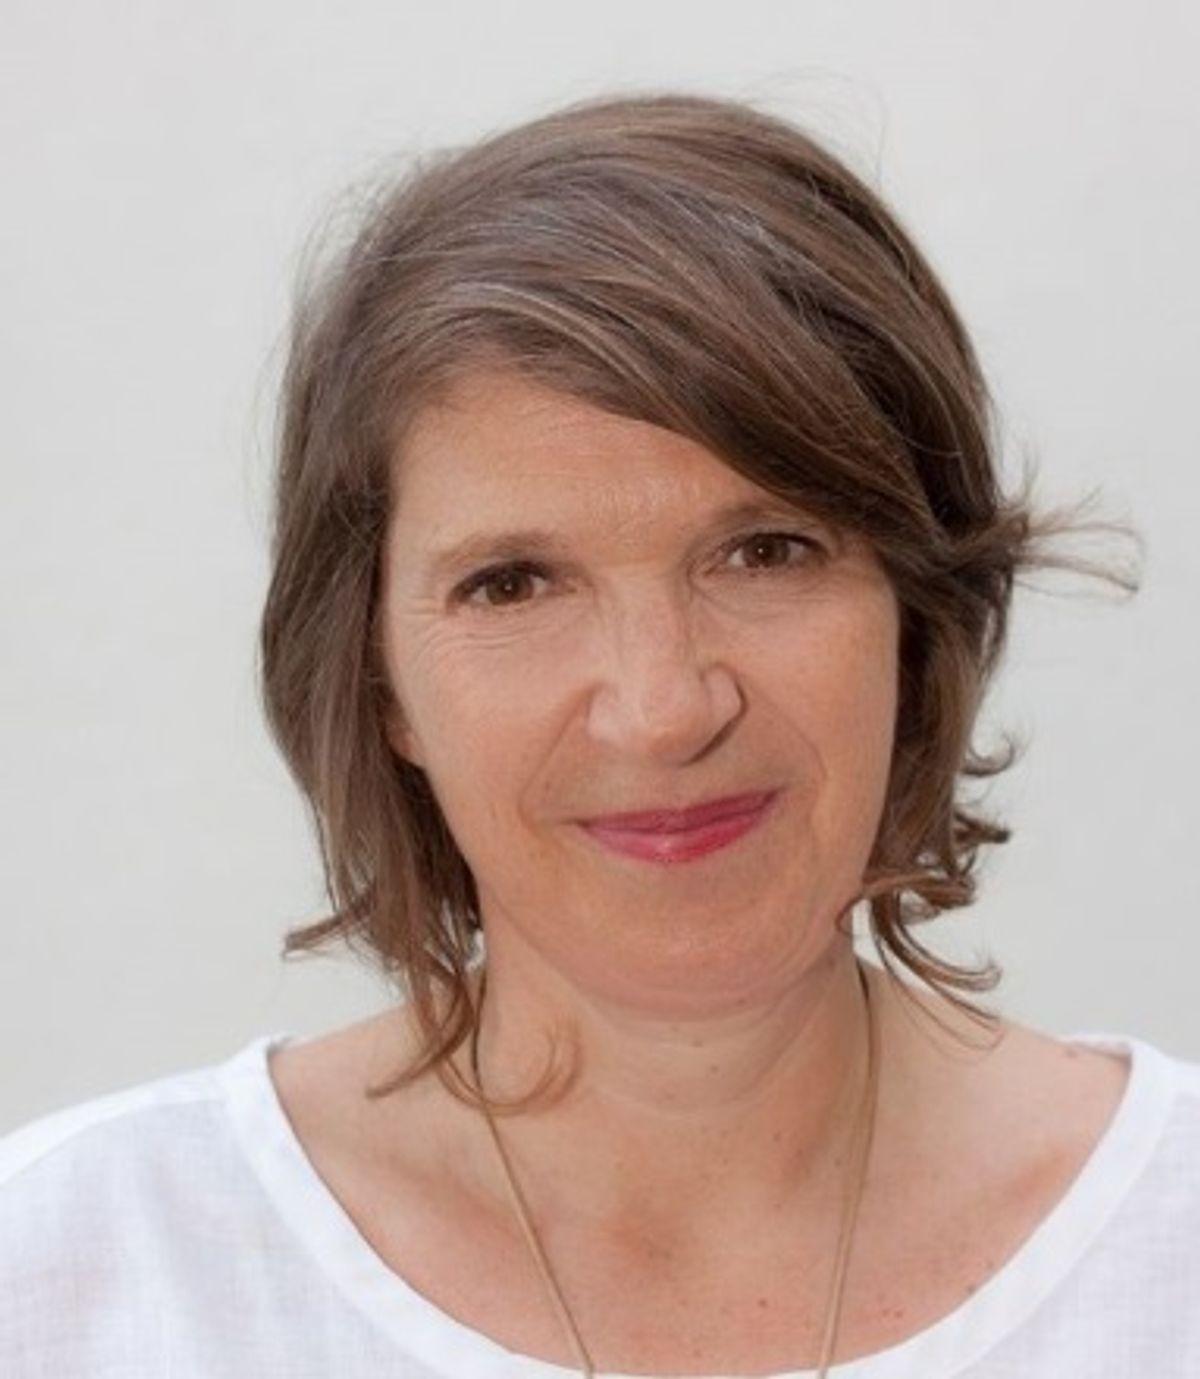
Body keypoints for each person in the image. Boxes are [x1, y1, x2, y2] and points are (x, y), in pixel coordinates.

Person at [2, 92, 1197, 1378]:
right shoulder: (71, 1271)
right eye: (513, 583)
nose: (663, 707)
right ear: (380, 679)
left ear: (916, 611)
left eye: (766, 549)